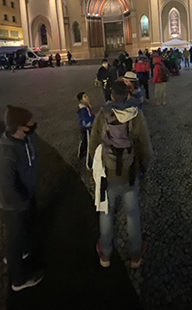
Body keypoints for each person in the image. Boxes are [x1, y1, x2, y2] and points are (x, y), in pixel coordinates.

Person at [89, 81, 152, 269]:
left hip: (107, 174)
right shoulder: (136, 115)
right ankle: (135, 256)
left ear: (111, 96)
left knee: (106, 213)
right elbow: (145, 147)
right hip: (130, 172)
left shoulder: (103, 114)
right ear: (127, 95)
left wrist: (98, 165)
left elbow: (93, 143)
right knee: (132, 214)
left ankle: (105, 254)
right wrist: (143, 168)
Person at [0, 105, 43, 292]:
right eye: (29, 122)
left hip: (27, 196)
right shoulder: (5, 154)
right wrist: (22, 204)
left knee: (24, 232)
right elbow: (6, 187)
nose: (33, 124)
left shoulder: (24, 138)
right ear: (19, 126)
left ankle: (22, 251)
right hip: (14, 206)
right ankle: (18, 280)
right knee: (14, 239)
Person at [76, 92, 95, 163]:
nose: (87, 97)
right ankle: (89, 162)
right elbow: (86, 119)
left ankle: (81, 152)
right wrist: (93, 116)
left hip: (84, 127)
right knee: (89, 142)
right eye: (85, 97)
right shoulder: (83, 109)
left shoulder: (85, 107)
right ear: (81, 100)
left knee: (84, 140)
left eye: (86, 95)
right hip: (86, 128)